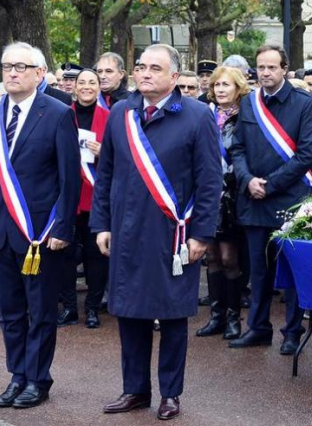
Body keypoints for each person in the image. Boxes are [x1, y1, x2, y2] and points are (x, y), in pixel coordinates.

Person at [91, 44, 222, 420]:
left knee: (172, 316)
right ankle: (134, 389)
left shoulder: (197, 116)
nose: (145, 73)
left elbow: (210, 182)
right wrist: (100, 224)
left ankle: (170, 393)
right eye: (141, 67)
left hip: (173, 236)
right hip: (126, 232)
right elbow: (106, 175)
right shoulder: (121, 113)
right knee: (130, 314)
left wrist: (201, 234)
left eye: (155, 68)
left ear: (174, 77)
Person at [0, 42, 80, 409]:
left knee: (41, 311)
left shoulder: (59, 113)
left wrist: (63, 228)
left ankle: (38, 379)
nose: (12, 73)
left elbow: (70, 178)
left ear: (39, 73)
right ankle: (17, 374)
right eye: (7, 66)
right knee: (10, 311)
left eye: (21, 66)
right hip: (0, 231)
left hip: (41, 234)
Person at [229, 44, 312, 355]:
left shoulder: (303, 103)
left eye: (271, 67)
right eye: (261, 68)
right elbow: (237, 148)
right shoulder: (249, 103)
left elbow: (307, 154)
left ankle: (292, 332)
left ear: (285, 69)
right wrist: (247, 180)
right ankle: (258, 328)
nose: (265, 73)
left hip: (291, 200)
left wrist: (270, 185)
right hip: (254, 199)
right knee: (259, 270)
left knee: (293, 272)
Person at [196, 66, 251, 341]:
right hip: (207, 193)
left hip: (233, 194)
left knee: (230, 257)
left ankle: (233, 318)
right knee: (212, 256)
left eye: (226, 85)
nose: (220, 90)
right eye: (217, 85)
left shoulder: (246, 117)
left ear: (238, 88)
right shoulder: (205, 114)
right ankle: (216, 316)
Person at [58, 68, 109, 329]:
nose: (87, 87)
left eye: (92, 82)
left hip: (96, 198)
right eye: (82, 83)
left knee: (95, 257)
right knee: (64, 253)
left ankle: (92, 308)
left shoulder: (110, 118)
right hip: (66, 196)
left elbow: (125, 158)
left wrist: (104, 152)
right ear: (74, 87)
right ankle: (68, 307)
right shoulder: (62, 115)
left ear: (99, 88)